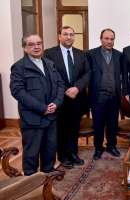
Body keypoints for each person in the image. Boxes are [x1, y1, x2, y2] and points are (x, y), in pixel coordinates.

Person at [10, 34, 64, 175]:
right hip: (32, 119)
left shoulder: (49, 63)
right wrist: (42, 108)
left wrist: (56, 103)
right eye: (32, 44)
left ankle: (48, 174)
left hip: (51, 116)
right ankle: (31, 183)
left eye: (39, 43)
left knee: (50, 149)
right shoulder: (19, 67)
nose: (36, 46)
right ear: (24, 48)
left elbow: (60, 85)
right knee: (31, 154)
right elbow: (18, 91)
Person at [44, 26, 90, 168]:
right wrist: (65, 90)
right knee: (61, 128)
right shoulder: (49, 53)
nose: (69, 37)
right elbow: (50, 75)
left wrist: (77, 87)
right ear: (59, 36)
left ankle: (73, 153)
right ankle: (63, 155)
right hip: (59, 98)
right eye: (65, 34)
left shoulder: (81, 54)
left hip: (77, 98)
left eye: (71, 34)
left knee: (74, 126)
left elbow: (87, 73)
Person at [87, 28, 122, 160]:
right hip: (97, 97)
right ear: (101, 39)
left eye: (111, 39)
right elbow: (87, 74)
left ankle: (112, 146)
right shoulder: (90, 54)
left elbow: (123, 75)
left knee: (113, 123)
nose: (109, 41)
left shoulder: (119, 55)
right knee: (98, 124)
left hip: (114, 96)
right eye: (106, 38)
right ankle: (98, 148)